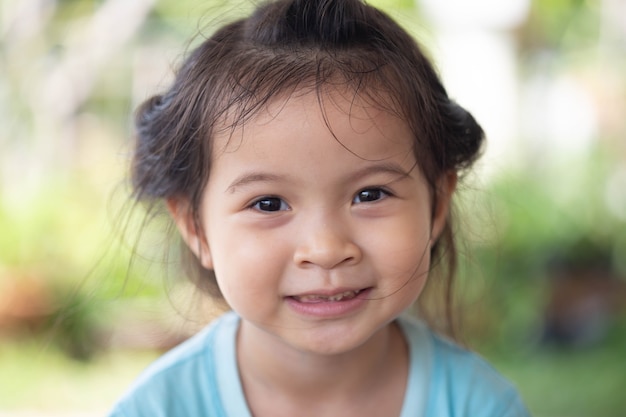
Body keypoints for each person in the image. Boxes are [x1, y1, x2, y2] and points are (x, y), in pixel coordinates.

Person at [109, 0, 531, 416]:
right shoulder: (158, 408)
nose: (327, 248)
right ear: (196, 227)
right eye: (269, 203)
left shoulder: (481, 405)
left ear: (437, 205)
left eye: (370, 195)